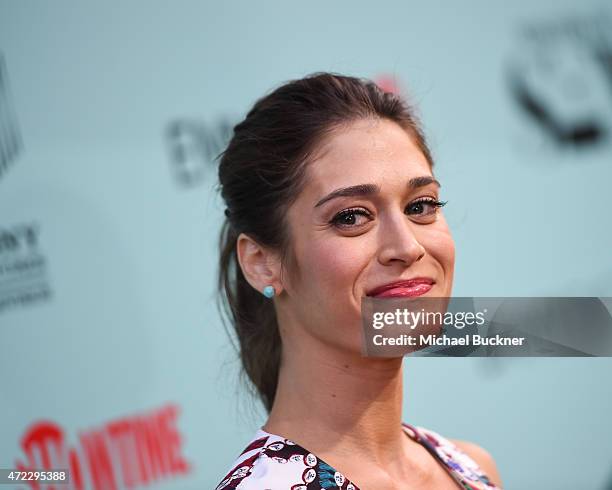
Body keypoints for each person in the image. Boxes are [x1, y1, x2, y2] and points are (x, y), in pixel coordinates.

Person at [214, 72, 503, 489]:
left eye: (420, 205)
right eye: (351, 217)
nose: (406, 246)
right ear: (262, 262)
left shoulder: (470, 467)